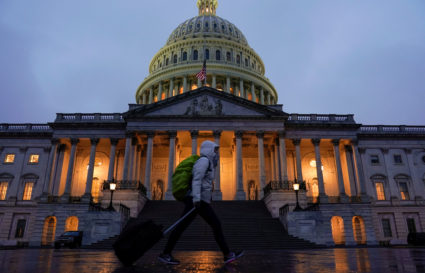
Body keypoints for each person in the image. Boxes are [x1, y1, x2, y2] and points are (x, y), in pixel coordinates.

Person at [158, 140, 244, 265]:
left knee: (187, 226)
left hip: (200, 200)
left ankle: (166, 253)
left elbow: (205, 184)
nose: (216, 152)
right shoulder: (204, 161)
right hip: (197, 201)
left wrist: (207, 197)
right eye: (215, 150)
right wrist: (197, 199)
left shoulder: (208, 163)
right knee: (215, 225)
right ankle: (227, 254)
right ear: (209, 150)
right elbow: (197, 180)